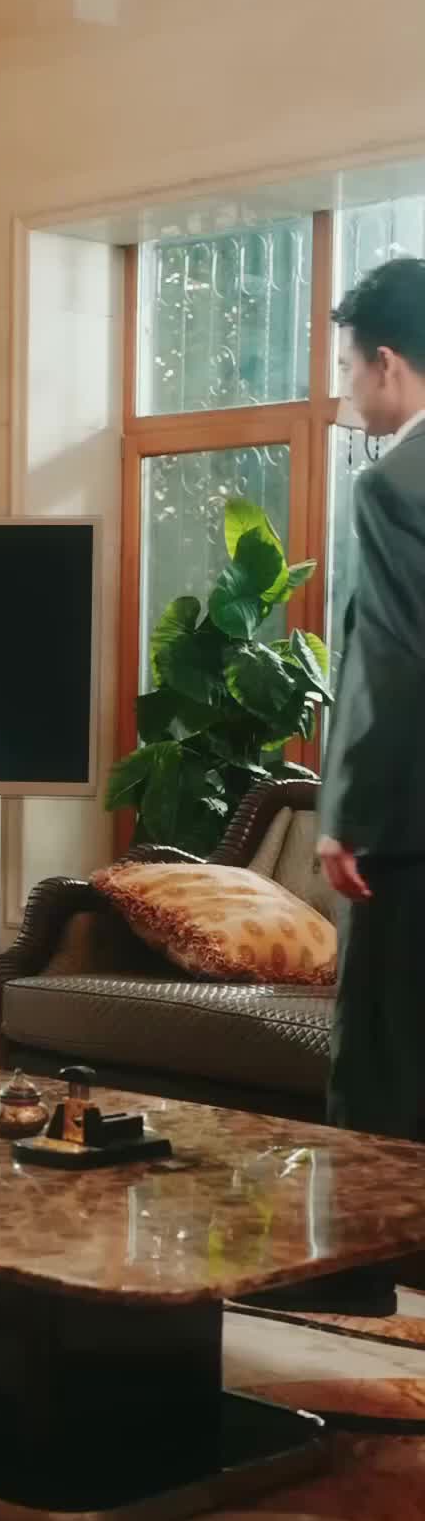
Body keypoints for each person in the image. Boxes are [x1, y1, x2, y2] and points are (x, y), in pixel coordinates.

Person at [319, 256, 425, 1139]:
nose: (349, 390)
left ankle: (367, 1237)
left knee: (386, 1078)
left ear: (386, 362)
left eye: (349, 367)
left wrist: (346, 818)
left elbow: (391, 662)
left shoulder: (394, 485)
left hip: (408, 839)